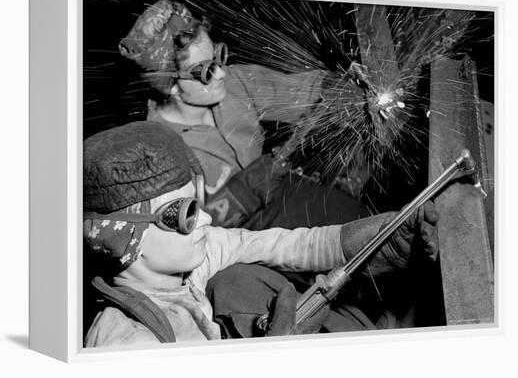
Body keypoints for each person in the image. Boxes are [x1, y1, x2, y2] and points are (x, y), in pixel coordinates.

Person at [83, 121, 439, 347]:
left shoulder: (189, 269)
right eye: (186, 214)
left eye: (199, 203)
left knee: (238, 281)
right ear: (124, 239)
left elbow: (278, 244)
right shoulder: (126, 341)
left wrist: (379, 239)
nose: (206, 218)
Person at [118, 0, 371, 231]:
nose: (221, 74)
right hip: (226, 252)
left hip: (276, 206)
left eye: (217, 57)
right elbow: (180, 243)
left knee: (357, 221)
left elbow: (296, 92)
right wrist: (238, 194)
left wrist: (339, 85)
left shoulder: (234, 84)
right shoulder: (157, 152)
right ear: (171, 86)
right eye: (205, 71)